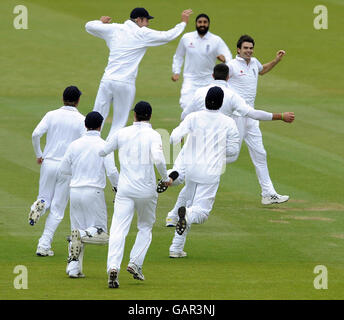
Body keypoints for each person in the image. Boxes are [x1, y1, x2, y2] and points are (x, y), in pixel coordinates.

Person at [165, 63, 295, 227]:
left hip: (193, 143)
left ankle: (173, 204)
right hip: (213, 150)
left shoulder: (199, 92)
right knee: (198, 184)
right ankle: (180, 213)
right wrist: (280, 116)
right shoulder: (232, 95)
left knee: (189, 179)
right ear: (228, 77)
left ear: (212, 76)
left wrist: (182, 133)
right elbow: (252, 114)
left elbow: (185, 114)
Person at [85, 7, 193, 139]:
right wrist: (183, 23)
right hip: (125, 83)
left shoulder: (114, 28)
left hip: (107, 80)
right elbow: (167, 36)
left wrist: (100, 22)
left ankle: (90, 147)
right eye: (146, 20)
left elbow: (89, 26)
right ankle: (107, 154)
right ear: (138, 20)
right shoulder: (142, 33)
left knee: (96, 116)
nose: (147, 23)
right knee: (119, 123)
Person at [99, 101, 172, 289]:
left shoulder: (122, 133)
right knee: (145, 227)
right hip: (147, 191)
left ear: (135, 115)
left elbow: (103, 151)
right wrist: (165, 178)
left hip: (125, 190)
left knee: (118, 230)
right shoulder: (154, 135)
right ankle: (135, 263)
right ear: (150, 116)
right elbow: (158, 158)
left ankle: (113, 267)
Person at [168, 87, 240, 258]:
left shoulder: (193, 117)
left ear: (206, 100)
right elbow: (233, 150)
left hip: (191, 170)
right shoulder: (228, 122)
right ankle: (186, 214)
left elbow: (173, 138)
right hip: (211, 172)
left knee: (190, 204)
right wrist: (217, 149)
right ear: (221, 103)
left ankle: (176, 248)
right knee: (200, 212)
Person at [227, 34, 289, 204]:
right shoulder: (231, 66)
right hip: (236, 117)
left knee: (260, 154)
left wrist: (276, 60)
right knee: (231, 156)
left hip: (252, 117)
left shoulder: (254, 63)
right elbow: (217, 80)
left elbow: (262, 70)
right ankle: (192, 166)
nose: (249, 51)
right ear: (238, 49)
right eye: (245, 48)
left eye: (251, 48)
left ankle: (268, 193)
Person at [59, 111, 119, 278]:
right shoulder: (104, 144)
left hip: (75, 190)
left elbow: (63, 169)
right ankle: (83, 234)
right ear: (100, 126)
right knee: (101, 232)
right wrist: (118, 188)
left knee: (75, 231)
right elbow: (112, 171)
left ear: (85, 125)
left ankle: (73, 269)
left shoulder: (74, 144)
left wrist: (79, 172)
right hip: (94, 192)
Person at [29, 86, 86, 257]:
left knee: (44, 197)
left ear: (62, 99)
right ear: (78, 101)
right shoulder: (81, 120)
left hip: (49, 163)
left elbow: (35, 134)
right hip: (67, 167)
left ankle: (39, 206)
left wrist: (39, 154)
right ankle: (43, 245)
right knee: (58, 209)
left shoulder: (51, 114)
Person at [171, 13, 232, 112]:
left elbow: (228, 56)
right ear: (196, 24)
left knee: (208, 108)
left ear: (208, 24)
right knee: (186, 106)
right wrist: (176, 71)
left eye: (205, 22)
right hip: (190, 79)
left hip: (208, 80)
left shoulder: (216, 40)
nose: (202, 24)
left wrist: (225, 59)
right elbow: (178, 56)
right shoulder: (187, 38)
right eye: (200, 22)